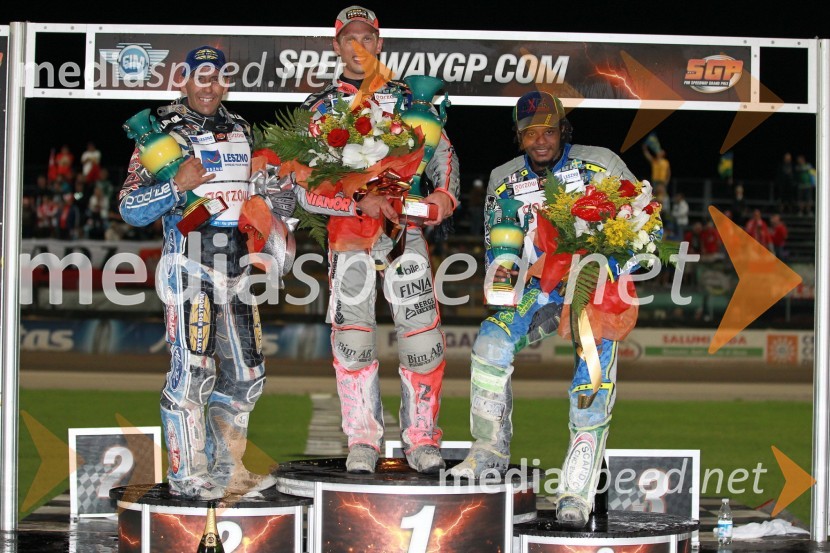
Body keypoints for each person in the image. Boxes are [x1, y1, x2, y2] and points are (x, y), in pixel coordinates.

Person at [449, 91, 637, 529]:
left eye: (548, 131)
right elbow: (500, 248)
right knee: (490, 343)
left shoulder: (601, 164)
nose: (540, 141)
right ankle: (489, 452)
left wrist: (616, 265)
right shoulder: (502, 178)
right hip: (539, 290)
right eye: (529, 133)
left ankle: (576, 490)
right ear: (518, 137)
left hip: (595, 289)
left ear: (563, 130)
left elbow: (645, 221)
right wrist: (500, 275)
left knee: (591, 378)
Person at [119, 46, 289, 500]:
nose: (210, 86)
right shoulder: (160, 132)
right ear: (185, 80)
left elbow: (255, 196)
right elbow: (130, 207)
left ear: (226, 82)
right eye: (201, 77)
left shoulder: (240, 128)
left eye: (218, 78)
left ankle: (227, 469)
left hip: (237, 267)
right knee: (193, 370)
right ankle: (185, 472)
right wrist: (176, 185)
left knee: (248, 375)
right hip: (189, 264)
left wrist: (275, 204)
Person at [297, 5, 460, 474]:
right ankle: (363, 441)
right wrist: (356, 205)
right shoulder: (320, 108)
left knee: (422, 339)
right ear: (336, 45)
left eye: (366, 37)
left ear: (379, 43)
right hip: (349, 237)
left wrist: (443, 198)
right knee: (352, 342)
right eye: (349, 38)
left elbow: (442, 157)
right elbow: (305, 188)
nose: (358, 46)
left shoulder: (411, 99)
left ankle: (423, 440)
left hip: (404, 232)